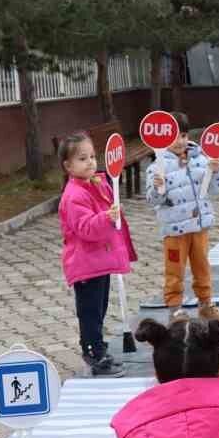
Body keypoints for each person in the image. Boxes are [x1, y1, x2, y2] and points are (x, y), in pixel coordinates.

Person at [58, 131, 138, 375]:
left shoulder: (96, 184)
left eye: (92, 156)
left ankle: (99, 348)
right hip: (85, 263)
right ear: (68, 166)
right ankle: (92, 351)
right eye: (82, 159)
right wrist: (106, 218)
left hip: (98, 261)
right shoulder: (74, 196)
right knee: (90, 311)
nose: (90, 162)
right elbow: (85, 228)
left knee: (100, 306)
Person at [147, 111, 219, 320]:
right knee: (175, 270)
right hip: (174, 231)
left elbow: (214, 190)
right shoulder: (157, 165)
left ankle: (206, 304)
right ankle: (175, 308)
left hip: (199, 226)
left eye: (183, 135)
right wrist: (157, 188)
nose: (180, 141)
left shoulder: (202, 159)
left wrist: (217, 172)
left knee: (202, 267)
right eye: (174, 136)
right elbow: (153, 201)